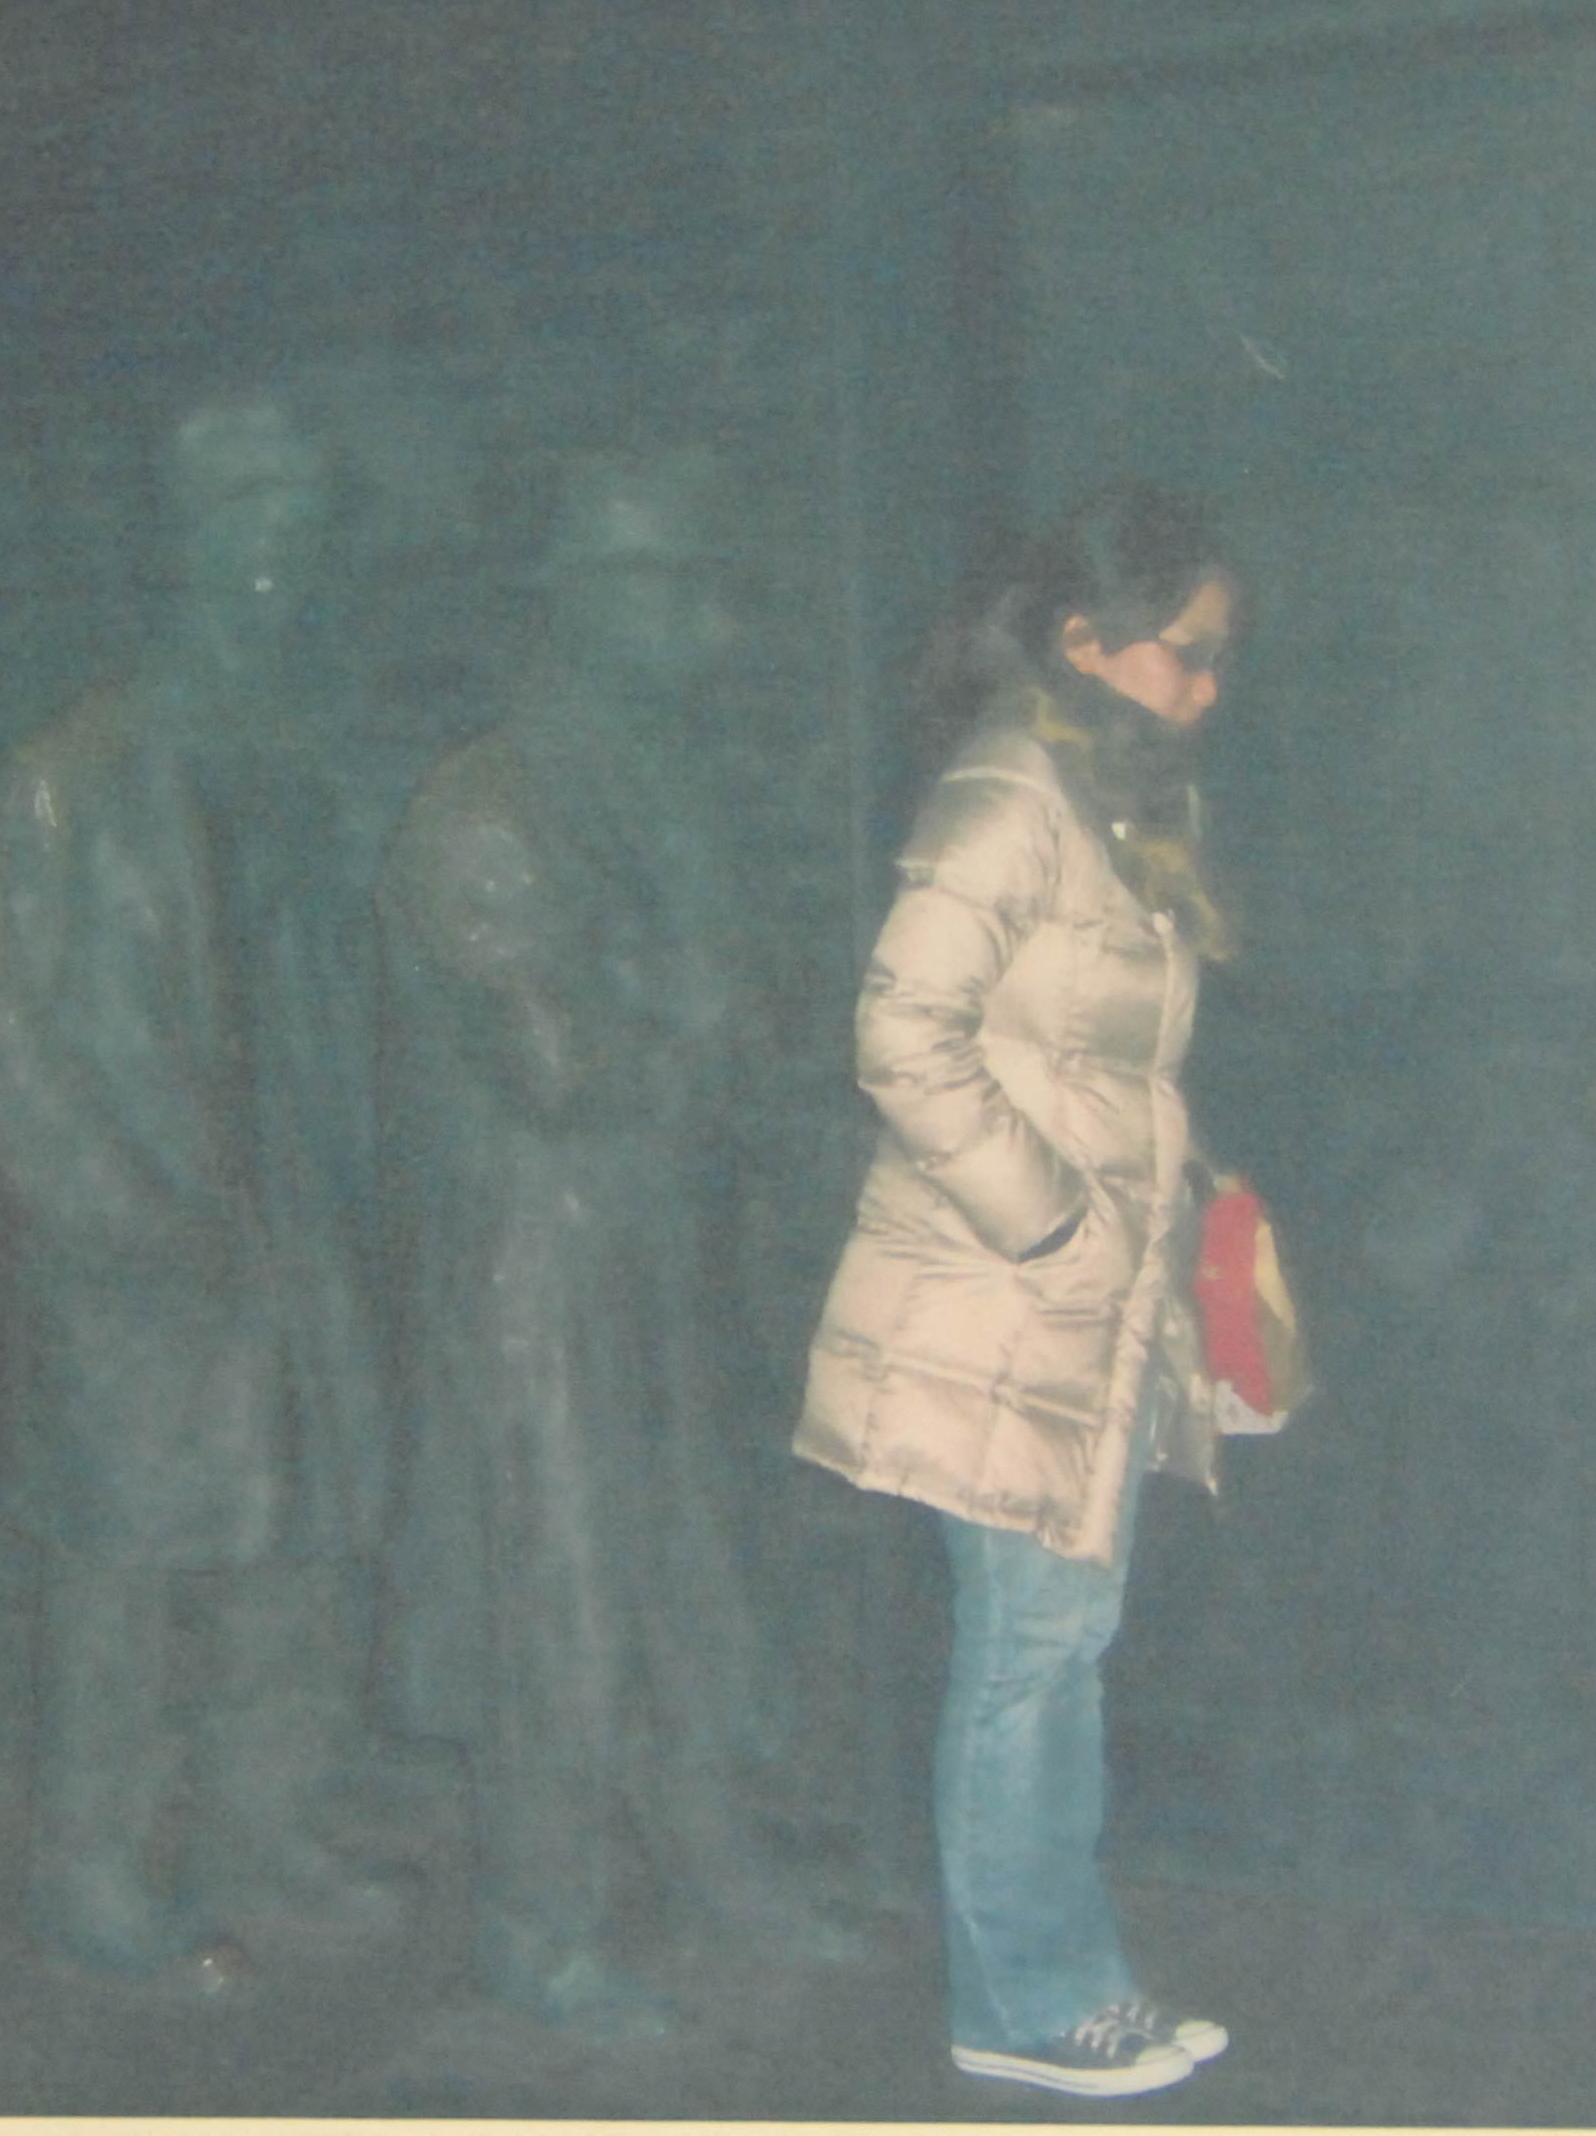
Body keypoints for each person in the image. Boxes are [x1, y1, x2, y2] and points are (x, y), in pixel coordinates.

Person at [376, 446, 860, 2041]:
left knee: (686, 1565)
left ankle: (709, 1856)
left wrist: (709, 1025)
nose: (698, 619)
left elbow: (752, 1011)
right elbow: (557, 1062)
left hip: (657, 1245)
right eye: (663, 584)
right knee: (559, 1586)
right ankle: (543, 1918)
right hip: (535, 1272)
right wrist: (695, 1020)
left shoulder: (663, 787)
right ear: (578, 602)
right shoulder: (486, 808)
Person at [792, 482, 1246, 2099]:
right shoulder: (1014, 796)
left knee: (1057, 1639)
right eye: (1185, 650)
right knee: (1031, 1649)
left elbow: (1093, 1063)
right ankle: (1035, 2000)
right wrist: (1052, 1225)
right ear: (1084, 640)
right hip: (998, 1300)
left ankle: (1051, 1984)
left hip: (1071, 1304)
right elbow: (900, 1033)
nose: (1207, 686)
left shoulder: (1105, 796)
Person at [0, 383, 403, 1985]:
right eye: (236, 511)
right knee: (125, 1567)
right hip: (143, 1233)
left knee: (300, 1546)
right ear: (179, 540)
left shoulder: (315, 758)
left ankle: (259, 1825)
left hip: (299, 1213)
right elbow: (8, 1038)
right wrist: (116, 1218)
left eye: (294, 511)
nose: (270, 545)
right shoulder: (73, 772)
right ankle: (88, 1857)